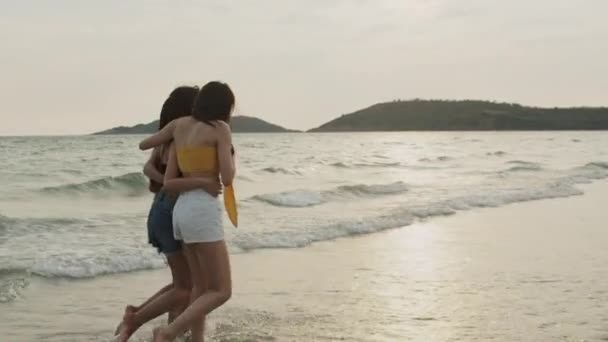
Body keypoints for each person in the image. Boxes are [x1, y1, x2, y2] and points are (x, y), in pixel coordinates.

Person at [116, 86, 222, 342]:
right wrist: (177, 182)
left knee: (183, 283)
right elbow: (150, 169)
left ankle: (159, 325)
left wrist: (167, 181)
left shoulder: (172, 135)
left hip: (160, 210)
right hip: (176, 208)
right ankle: (140, 321)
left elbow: (147, 167)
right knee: (191, 286)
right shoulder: (185, 136)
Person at [139, 81, 237, 342]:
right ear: (225, 108)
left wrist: (168, 138)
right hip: (202, 211)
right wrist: (228, 155)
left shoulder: (179, 127)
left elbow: (147, 147)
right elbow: (227, 178)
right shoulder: (220, 129)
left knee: (200, 286)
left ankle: (195, 339)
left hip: (180, 211)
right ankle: (168, 332)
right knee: (221, 290)